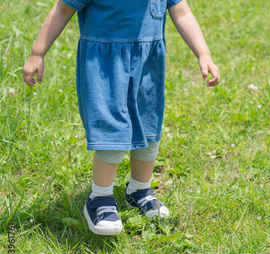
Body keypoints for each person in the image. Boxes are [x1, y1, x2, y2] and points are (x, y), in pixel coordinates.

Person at [22, 0, 220, 235]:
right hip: (105, 67)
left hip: (147, 65)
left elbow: (182, 12)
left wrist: (203, 52)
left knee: (149, 129)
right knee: (111, 131)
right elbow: (62, 9)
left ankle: (139, 189)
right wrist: (37, 53)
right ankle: (100, 198)